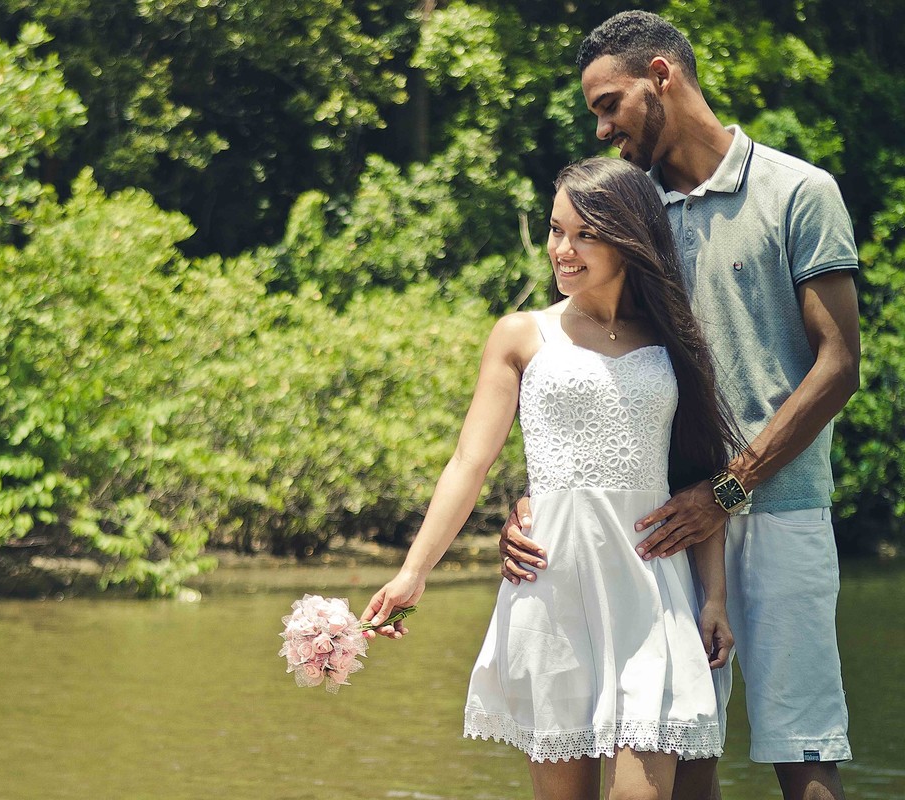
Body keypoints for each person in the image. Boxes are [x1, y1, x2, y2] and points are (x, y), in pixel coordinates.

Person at [498, 11, 862, 800]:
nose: (602, 128)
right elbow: (582, 366)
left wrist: (726, 490)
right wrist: (541, 500)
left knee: (804, 751)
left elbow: (838, 367)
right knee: (686, 758)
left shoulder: (800, 191)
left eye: (609, 105)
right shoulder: (629, 215)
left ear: (660, 76)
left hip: (782, 509)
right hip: (660, 528)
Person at [361, 156, 744, 800]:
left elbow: (699, 479)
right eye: (555, 229)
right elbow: (469, 463)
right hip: (551, 588)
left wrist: (714, 599)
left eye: (584, 235)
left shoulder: (677, 338)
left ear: (629, 239)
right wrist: (412, 573)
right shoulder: (521, 335)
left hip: (651, 587)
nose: (562, 250)